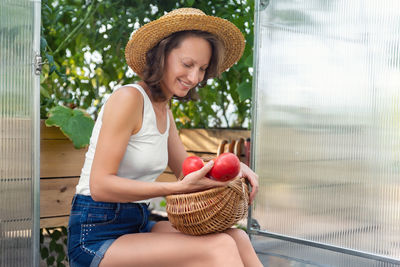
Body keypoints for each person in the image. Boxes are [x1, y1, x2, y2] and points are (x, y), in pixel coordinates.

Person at [67, 7, 262, 267]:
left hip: (136, 223)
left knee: (236, 236)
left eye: (202, 68)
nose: (194, 77)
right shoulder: (129, 99)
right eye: (187, 64)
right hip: (94, 235)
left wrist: (235, 169)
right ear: (162, 55)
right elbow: (100, 186)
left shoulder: (163, 108)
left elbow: (186, 167)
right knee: (220, 247)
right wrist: (175, 189)